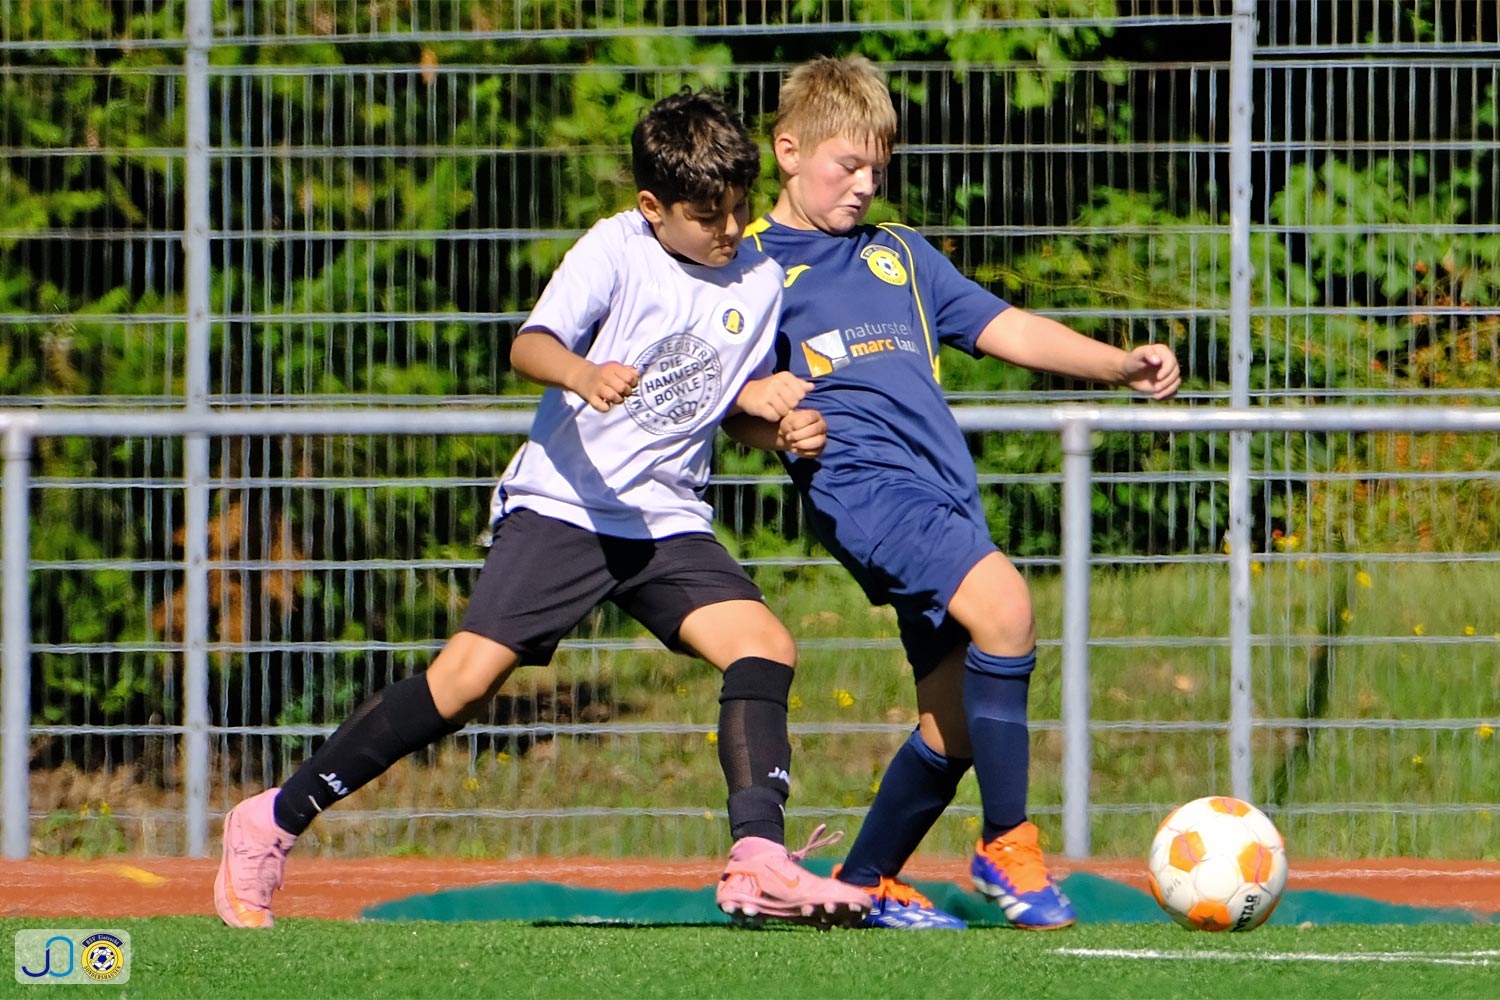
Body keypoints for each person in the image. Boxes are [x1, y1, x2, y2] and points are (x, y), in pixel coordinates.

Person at [214, 89, 871, 931]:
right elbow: (530, 343)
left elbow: (721, 405)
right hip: (567, 504)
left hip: (663, 518)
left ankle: (758, 862)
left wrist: (776, 427)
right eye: (709, 216)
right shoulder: (615, 247)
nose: (731, 228)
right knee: (462, 684)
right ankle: (271, 820)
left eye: (740, 208)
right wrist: (581, 374)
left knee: (765, 646)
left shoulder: (759, 274)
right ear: (653, 207)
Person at [732, 55, 1182, 931]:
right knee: (1007, 607)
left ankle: (862, 883)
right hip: (862, 487)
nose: (865, 185)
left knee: (955, 724)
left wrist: (1118, 365)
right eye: (846, 166)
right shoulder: (749, 266)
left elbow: (1008, 326)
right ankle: (1007, 843)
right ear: (788, 151)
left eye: (877, 167)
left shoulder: (898, 252)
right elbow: (726, 399)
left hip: (942, 492)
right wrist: (771, 422)